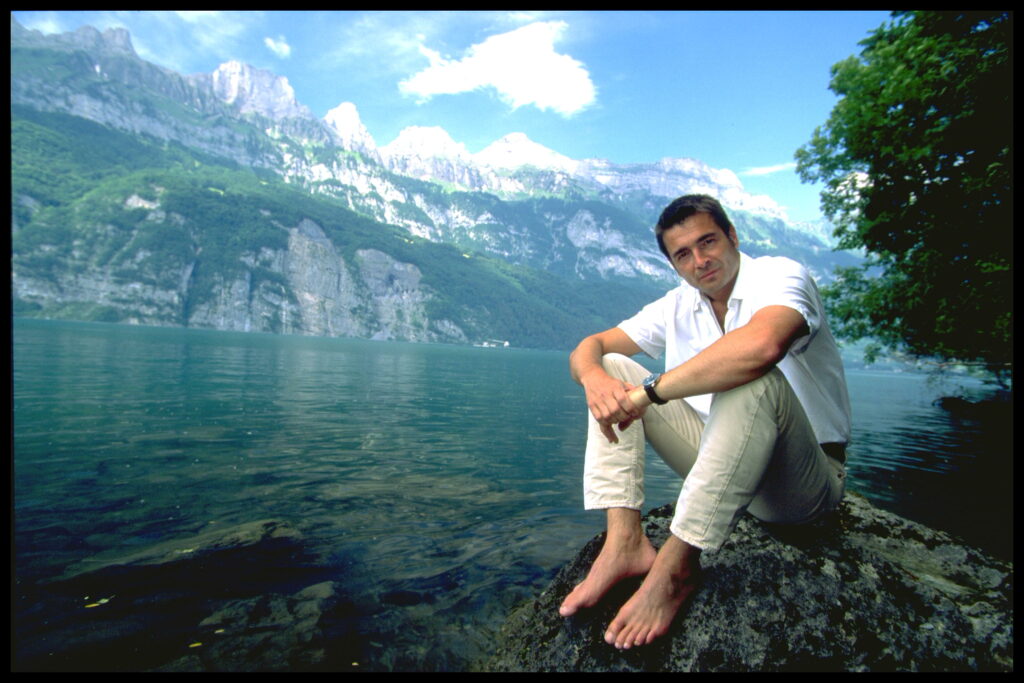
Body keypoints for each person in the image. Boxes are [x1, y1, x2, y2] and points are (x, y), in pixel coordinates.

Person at [559, 194, 851, 650]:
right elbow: (590, 345)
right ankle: (624, 542)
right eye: (683, 254)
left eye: (708, 241)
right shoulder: (679, 304)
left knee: (754, 380)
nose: (700, 260)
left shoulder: (780, 276)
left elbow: (762, 347)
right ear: (674, 265)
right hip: (725, 461)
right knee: (615, 367)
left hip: (801, 483)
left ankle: (676, 567)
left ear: (732, 236)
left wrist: (650, 392)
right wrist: (594, 376)